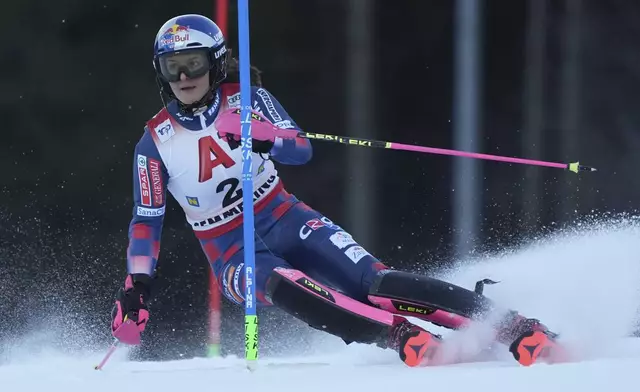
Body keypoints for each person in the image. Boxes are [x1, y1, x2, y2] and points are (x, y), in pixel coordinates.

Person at [111, 13, 566, 367]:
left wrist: (261, 136)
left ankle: (516, 327)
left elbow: (301, 149)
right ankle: (401, 337)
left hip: (284, 215)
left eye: (193, 64)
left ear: (214, 62)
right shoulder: (154, 143)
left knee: (374, 283)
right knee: (287, 284)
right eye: (173, 68)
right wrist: (138, 286)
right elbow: (146, 222)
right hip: (230, 249)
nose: (184, 77)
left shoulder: (248, 97)